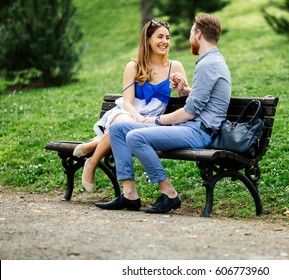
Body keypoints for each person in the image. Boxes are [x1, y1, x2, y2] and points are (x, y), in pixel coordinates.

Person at [95, 14, 231, 213]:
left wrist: (156, 120)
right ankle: (129, 195)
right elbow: (202, 99)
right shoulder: (210, 61)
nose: (190, 36)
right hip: (192, 127)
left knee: (135, 137)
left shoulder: (208, 64)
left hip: (201, 131)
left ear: (199, 34)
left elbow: (190, 113)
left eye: (191, 32)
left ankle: (169, 194)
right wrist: (184, 91)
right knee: (117, 129)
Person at [72, 19, 188, 192]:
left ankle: (95, 144)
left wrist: (183, 86)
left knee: (124, 130)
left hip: (152, 121)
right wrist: (139, 118)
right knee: (121, 125)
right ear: (148, 39)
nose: (165, 41)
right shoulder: (133, 66)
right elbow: (127, 102)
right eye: (160, 37)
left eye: (168, 37)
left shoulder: (175, 66)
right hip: (127, 112)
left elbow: (184, 94)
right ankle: (92, 162)